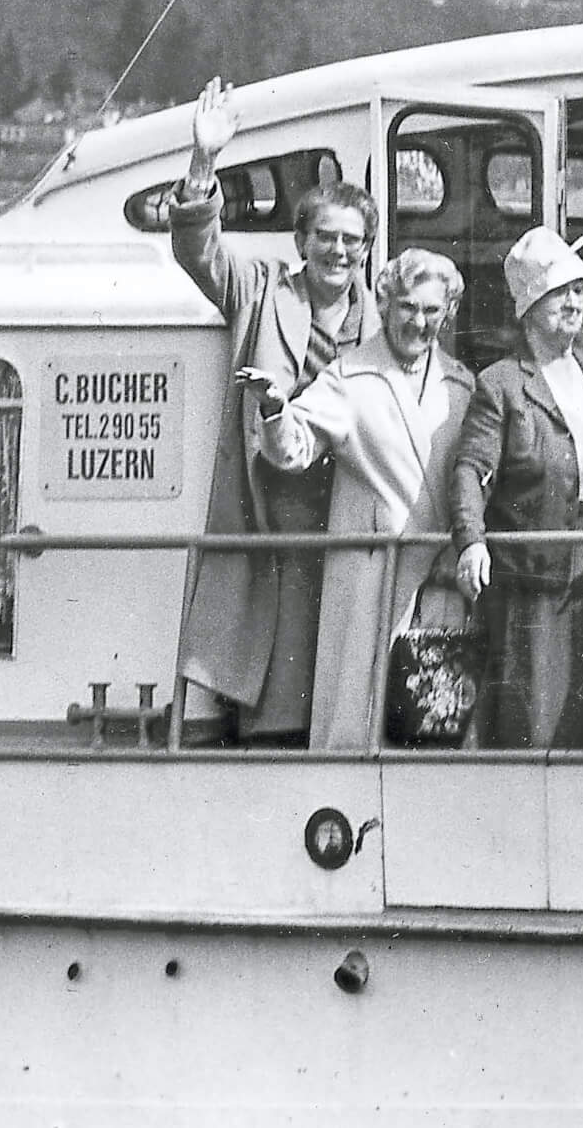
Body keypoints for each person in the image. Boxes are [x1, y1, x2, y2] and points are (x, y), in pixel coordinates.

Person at [169, 78, 374, 744]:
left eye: (352, 241)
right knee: (278, 689)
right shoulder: (259, 290)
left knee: (347, 684)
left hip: (348, 510)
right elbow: (197, 250)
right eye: (325, 237)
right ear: (301, 240)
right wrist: (204, 160)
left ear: (368, 249)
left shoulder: (384, 320)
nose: (337, 252)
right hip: (272, 515)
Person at [258, 249, 476, 750]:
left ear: (446, 314)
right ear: (384, 304)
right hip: (370, 582)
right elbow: (293, 451)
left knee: (436, 728)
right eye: (406, 307)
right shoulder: (348, 377)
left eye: (430, 310)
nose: (417, 321)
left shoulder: (462, 384)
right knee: (359, 725)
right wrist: (275, 411)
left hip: (440, 586)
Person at [454, 226, 583, 749]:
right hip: (540, 577)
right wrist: (471, 540)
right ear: (528, 305)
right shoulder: (500, 383)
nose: (574, 301)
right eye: (560, 291)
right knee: (539, 715)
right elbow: (471, 468)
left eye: (580, 290)